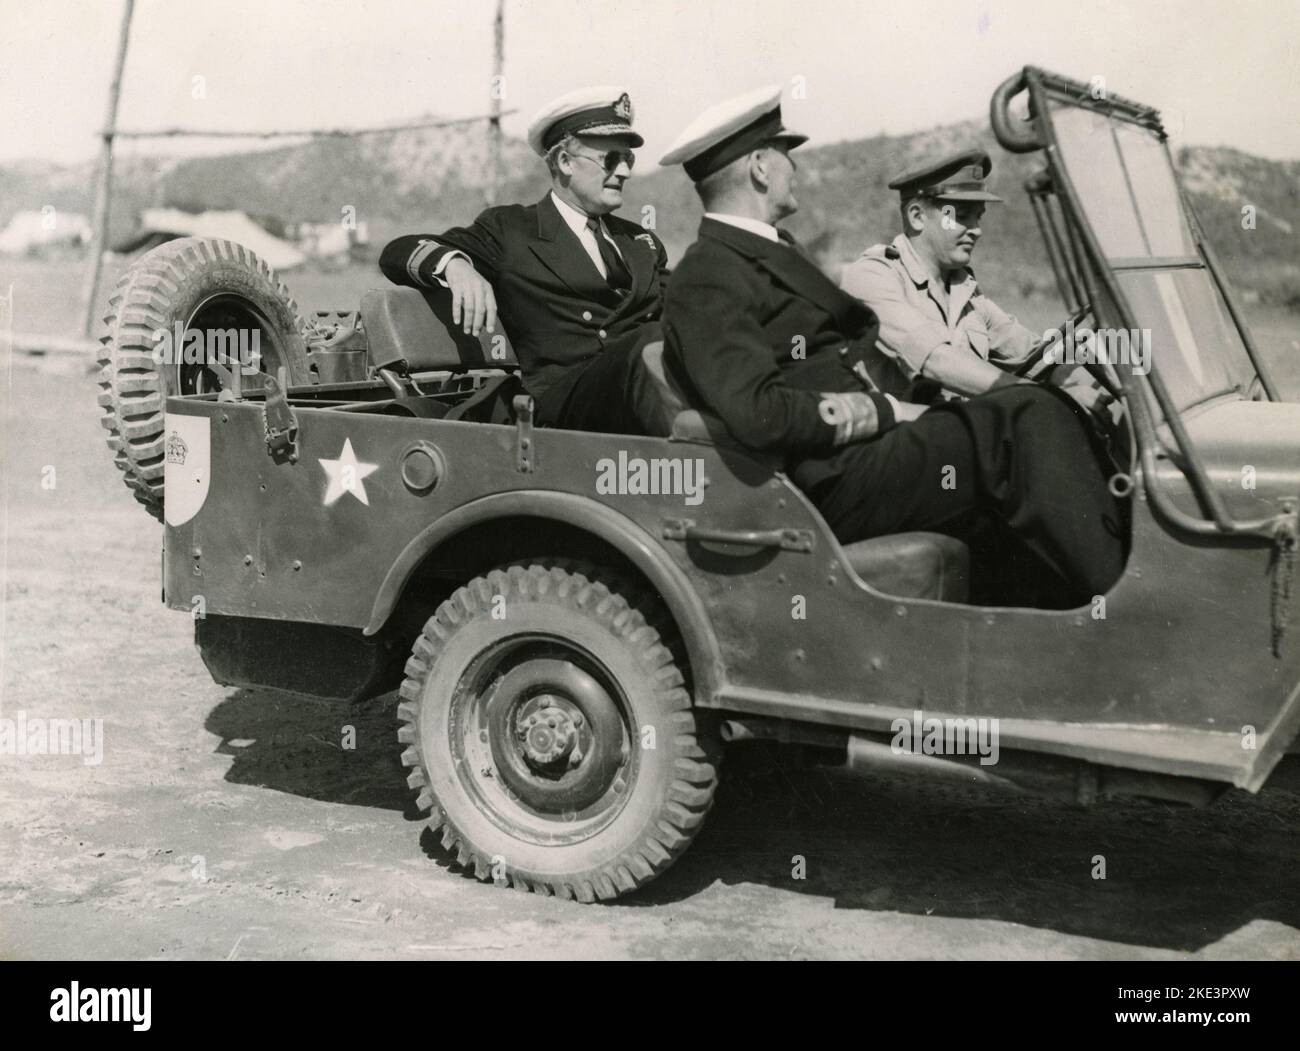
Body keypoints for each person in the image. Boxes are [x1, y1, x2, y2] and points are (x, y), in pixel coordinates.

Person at [657, 87, 1124, 607]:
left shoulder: (771, 251)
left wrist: (922, 408)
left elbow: (855, 352)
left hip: (870, 457)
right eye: (787, 155)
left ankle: (1072, 606)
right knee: (1025, 419)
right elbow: (758, 413)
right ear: (761, 167)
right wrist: (887, 410)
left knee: (1030, 409)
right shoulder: (707, 274)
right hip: (833, 476)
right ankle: (1130, 605)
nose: (798, 169)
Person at [379, 86, 668, 433]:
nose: (624, 172)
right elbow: (397, 252)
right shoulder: (512, 231)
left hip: (637, 397)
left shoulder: (642, 242)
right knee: (649, 345)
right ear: (564, 162)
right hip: (564, 406)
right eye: (611, 159)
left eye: (628, 159)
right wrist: (456, 266)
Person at [839, 149, 1110, 415]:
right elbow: (937, 361)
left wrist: (1074, 379)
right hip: (901, 447)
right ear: (917, 216)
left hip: (961, 441)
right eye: (962, 216)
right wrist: (1048, 398)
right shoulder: (872, 277)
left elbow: (1032, 352)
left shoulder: (964, 290)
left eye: (978, 217)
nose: (977, 230)